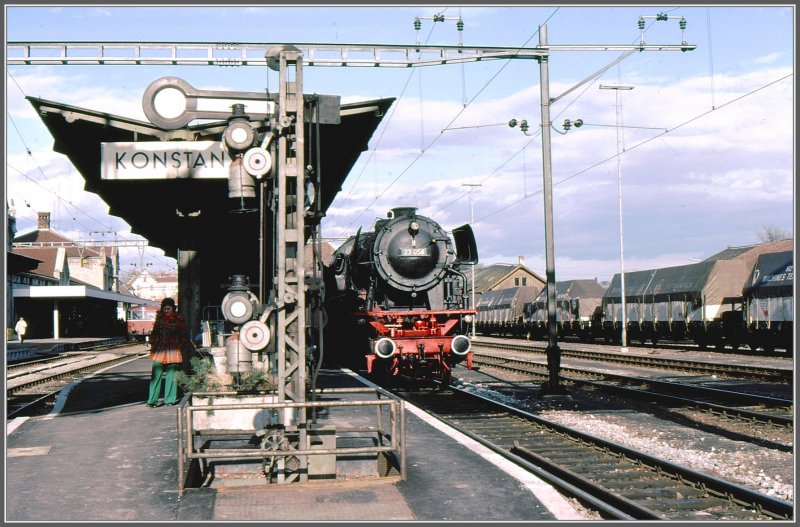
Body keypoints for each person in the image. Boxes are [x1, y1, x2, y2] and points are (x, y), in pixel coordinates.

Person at [146, 298, 188, 407]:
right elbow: (154, 332)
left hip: (173, 349)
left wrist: (180, 346)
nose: (166, 311)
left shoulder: (179, 319)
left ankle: (170, 400)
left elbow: (184, 334)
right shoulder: (159, 318)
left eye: (168, 308)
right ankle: (152, 401)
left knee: (172, 376)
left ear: (173, 308)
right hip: (160, 349)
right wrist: (153, 342)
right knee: (155, 375)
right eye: (164, 309)